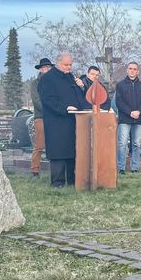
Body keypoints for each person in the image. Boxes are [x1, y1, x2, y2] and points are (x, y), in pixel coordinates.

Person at [38, 53, 90, 187]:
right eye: (66, 65)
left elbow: (79, 97)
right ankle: (58, 182)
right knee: (58, 152)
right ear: (58, 63)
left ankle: (72, 180)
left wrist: (82, 89)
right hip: (57, 121)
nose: (68, 67)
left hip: (73, 121)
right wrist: (65, 108)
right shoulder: (47, 78)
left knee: (71, 151)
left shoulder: (70, 77)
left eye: (70, 65)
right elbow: (47, 99)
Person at [115, 62, 141, 174]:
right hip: (125, 119)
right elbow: (119, 102)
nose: (132, 71)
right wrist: (129, 112)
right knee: (122, 143)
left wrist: (139, 111)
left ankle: (135, 167)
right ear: (127, 70)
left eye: (135, 69)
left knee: (136, 144)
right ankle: (121, 167)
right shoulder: (120, 85)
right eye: (130, 68)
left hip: (138, 118)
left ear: (138, 71)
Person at [28, 58, 53, 178]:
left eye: (48, 67)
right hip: (41, 116)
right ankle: (35, 170)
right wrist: (49, 110)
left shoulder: (54, 82)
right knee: (39, 144)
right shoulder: (35, 83)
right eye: (44, 68)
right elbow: (36, 100)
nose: (46, 69)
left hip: (54, 117)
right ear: (40, 69)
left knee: (54, 143)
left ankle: (54, 169)